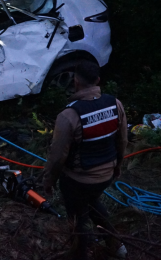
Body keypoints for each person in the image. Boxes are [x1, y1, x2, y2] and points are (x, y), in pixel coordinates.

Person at [42, 61, 128, 260]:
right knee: (91, 202)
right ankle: (116, 245)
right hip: (106, 175)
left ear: (75, 81)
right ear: (98, 80)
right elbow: (122, 140)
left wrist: (48, 181)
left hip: (78, 180)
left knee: (77, 215)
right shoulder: (116, 104)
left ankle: (79, 253)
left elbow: (57, 157)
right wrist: (117, 167)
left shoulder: (69, 115)